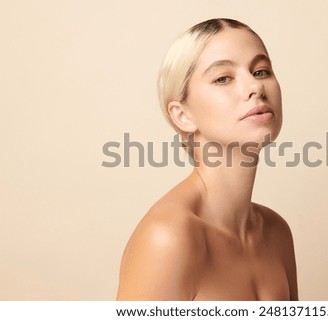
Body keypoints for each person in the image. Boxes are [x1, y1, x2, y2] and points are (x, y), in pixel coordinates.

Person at [117, 18, 298, 300]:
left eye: (261, 71)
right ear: (183, 115)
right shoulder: (168, 238)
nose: (255, 87)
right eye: (223, 78)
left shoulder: (277, 234)